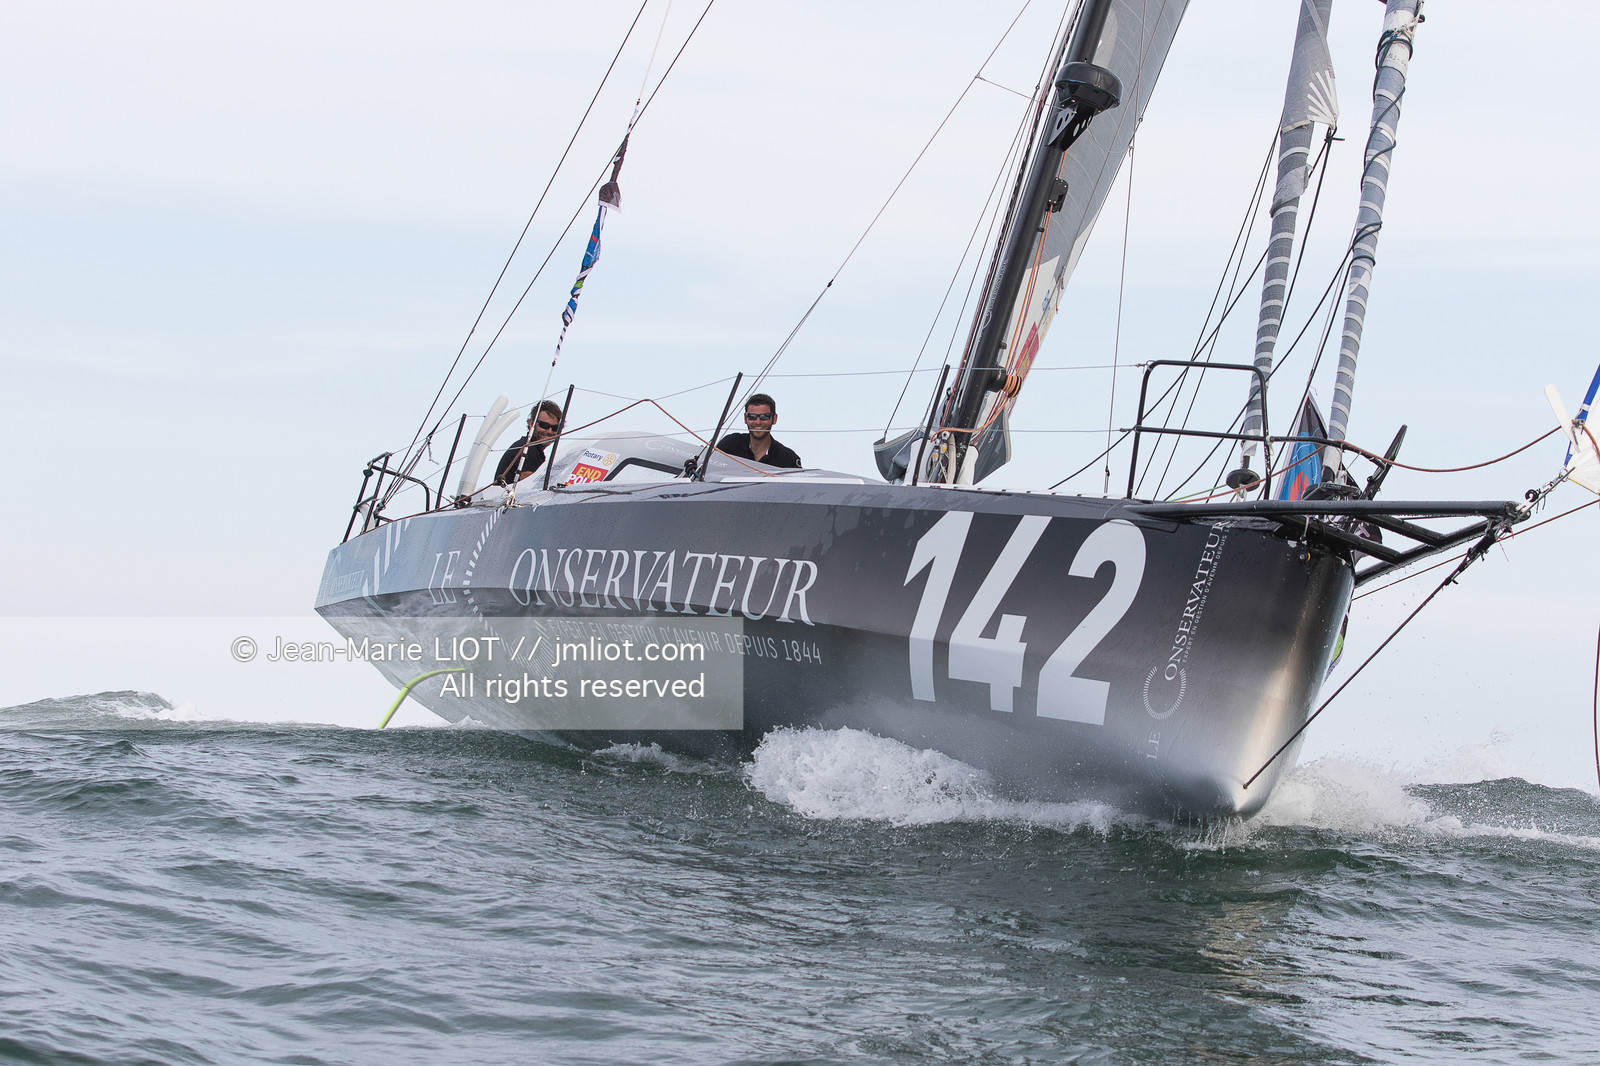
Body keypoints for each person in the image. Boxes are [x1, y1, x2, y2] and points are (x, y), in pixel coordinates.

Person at [716, 393, 801, 469]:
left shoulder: (788, 459)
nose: (758, 422)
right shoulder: (730, 445)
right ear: (745, 418)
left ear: (774, 419)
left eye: (764, 417)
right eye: (752, 416)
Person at [494, 400, 563, 486]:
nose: (549, 431)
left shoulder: (531, 448)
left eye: (555, 428)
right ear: (531, 423)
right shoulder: (528, 448)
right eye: (544, 425)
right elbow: (529, 486)